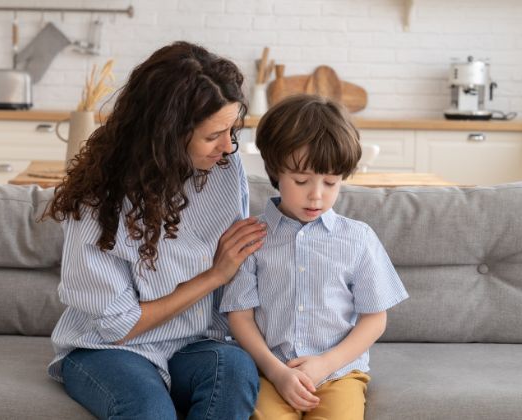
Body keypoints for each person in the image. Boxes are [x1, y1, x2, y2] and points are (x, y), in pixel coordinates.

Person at [45, 41, 266, 419]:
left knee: (235, 369)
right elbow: (119, 326)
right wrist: (215, 275)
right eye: (213, 136)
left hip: (195, 345)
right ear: (168, 134)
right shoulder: (98, 200)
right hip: (108, 350)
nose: (228, 147)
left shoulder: (225, 173)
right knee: (149, 411)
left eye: (232, 130)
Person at [220, 94, 409, 420]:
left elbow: (375, 318)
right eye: (302, 181)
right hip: (271, 373)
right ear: (275, 171)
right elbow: (240, 317)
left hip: (338, 374)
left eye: (331, 182)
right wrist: (277, 372)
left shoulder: (357, 238)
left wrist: (326, 363)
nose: (317, 195)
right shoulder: (252, 238)